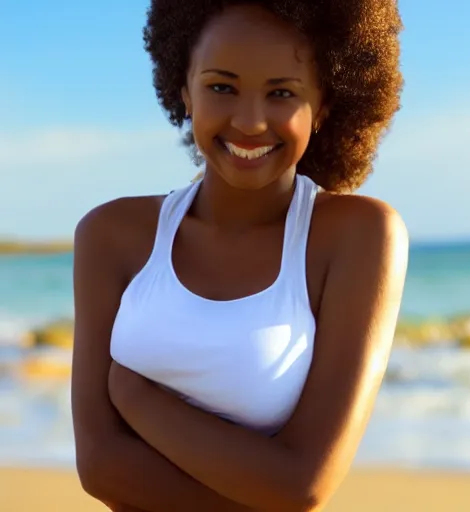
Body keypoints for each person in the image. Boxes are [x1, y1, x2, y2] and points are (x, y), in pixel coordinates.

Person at [71, 1, 408, 511]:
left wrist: (136, 397)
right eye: (221, 87)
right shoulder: (111, 235)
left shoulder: (359, 236)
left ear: (324, 105)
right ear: (184, 90)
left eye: (282, 94)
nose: (250, 121)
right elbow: (99, 466)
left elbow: (302, 484)